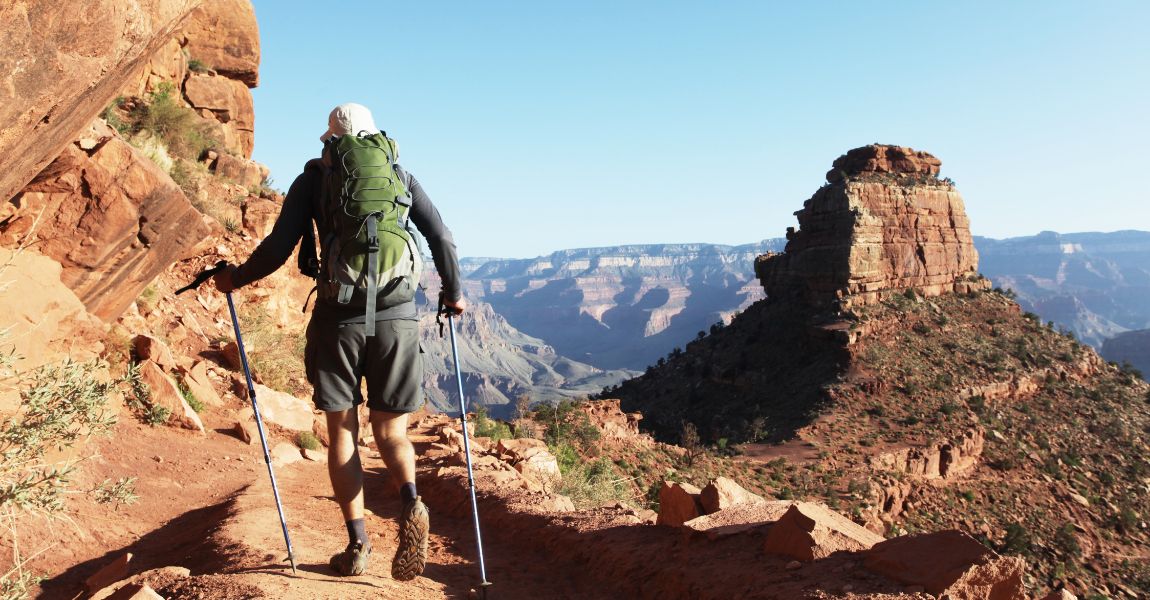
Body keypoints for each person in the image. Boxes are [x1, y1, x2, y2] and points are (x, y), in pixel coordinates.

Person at [214, 102, 466, 581]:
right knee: (393, 432)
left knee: (344, 431)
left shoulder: (313, 181)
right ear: (375, 138)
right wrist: (453, 295)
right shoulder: (400, 177)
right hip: (396, 319)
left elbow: (278, 247)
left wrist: (236, 279)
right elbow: (443, 239)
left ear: (330, 140)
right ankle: (411, 501)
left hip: (338, 320)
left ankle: (358, 544)